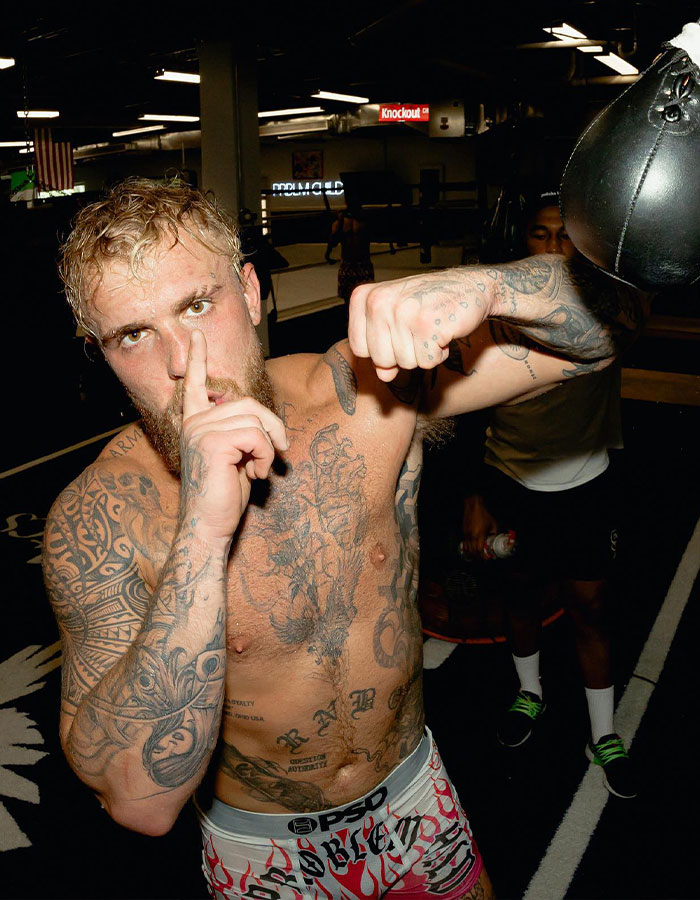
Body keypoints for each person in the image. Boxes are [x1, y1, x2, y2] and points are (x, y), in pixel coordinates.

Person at [43, 178, 644, 899]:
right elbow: (139, 801)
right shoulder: (99, 517)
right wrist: (201, 535)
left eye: (197, 306)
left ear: (250, 289)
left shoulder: (365, 392)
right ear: (98, 353)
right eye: (133, 335)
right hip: (262, 853)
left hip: (414, 802)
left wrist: (491, 287)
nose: (181, 364)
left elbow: (616, 327)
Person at [462, 188, 636, 798]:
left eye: (566, 234)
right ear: (524, 240)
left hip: (585, 485)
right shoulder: (494, 314)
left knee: (589, 609)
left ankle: (604, 732)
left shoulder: (607, 304)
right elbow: (466, 412)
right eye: (541, 234)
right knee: (520, 597)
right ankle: (530, 693)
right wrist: (476, 495)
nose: (554, 246)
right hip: (511, 481)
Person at [325, 203, 374, 305]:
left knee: (360, 296)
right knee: (355, 297)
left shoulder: (362, 220)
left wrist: (328, 253)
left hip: (357, 261)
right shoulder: (345, 221)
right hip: (354, 261)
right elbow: (333, 240)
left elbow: (333, 241)